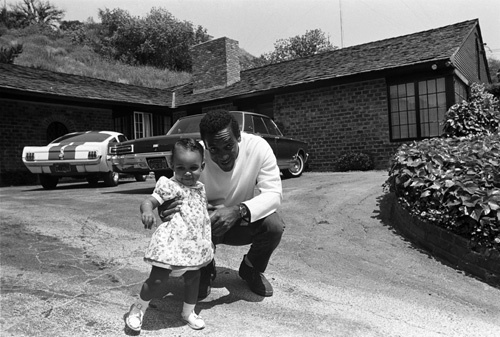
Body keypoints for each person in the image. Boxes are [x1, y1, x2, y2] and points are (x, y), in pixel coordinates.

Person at [161, 110, 285, 299]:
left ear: (239, 137)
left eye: (229, 146)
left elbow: (274, 194)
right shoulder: (197, 155)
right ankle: (203, 267)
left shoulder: (258, 147)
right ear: (205, 145)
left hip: (242, 219)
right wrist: (165, 207)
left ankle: (251, 268)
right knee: (185, 220)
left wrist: (238, 210)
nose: (223, 156)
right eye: (214, 149)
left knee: (274, 225)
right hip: (208, 223)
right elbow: (172, 189)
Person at [125, 138, 214, 332]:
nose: (187, 173)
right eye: (180, 167)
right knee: (158, 279)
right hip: (171, 244)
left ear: (202, 166)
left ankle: (188, 311)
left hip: (193, 244)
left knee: (193, 277)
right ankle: (138, 308)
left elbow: (200, 209)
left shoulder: (200, 188)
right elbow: (149, 201)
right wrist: (147, 211)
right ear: (171, 165)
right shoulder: (169, 185)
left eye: (193, 167)